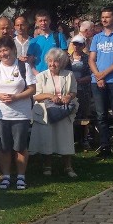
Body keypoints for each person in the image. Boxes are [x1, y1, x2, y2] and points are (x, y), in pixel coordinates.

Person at [0, 37, 36, 190]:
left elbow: (32, 89)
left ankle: (21, 176)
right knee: (3, 146)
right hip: (0, 113)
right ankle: (6, 176)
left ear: (13, 49)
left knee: (20, 146)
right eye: (0, 51)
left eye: (5, 50)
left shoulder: (24, 67)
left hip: (21, 113)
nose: (3, 54)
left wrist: (16, 97)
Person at [29, 48, 78, 178]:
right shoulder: (41, 76)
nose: (52, 64)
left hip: (64, 110)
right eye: (50, 61)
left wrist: (68, 97)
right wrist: (50, 96)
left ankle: (68, 167)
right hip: (47, 111)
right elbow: (36, 96)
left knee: (65, 139)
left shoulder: (69, 75)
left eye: (56, 61)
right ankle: (47, 166)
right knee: (48, 138)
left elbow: (73, 91)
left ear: (61, 62)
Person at [89, 7, 113, 159]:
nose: (104, 19)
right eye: (102, 17)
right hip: (97, 81)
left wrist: (104, 74)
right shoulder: (97, 38)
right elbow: (92, 59)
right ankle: (105, 146)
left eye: (107, 17)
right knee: (101, 115)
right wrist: (98, 76)